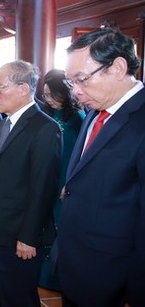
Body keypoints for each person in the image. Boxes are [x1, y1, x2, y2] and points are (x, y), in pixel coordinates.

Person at [58, 28, 145, 307]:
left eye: (82, 79)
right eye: (71, 82)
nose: (77, 92)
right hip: (78, 264)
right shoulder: (95, 112)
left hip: (115, 277)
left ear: (118, 68)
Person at [0, 60, 61, 307]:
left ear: (23, 88)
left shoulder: (45, 128)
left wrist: (29, 236)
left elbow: (42, 189)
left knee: (18, 298)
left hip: (18, 233)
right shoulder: (5, 121)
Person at [38, 69, 85, 291]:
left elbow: (82, 154)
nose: (48, 99)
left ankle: (58, 277)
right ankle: (44, 274)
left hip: (65, 178)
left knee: (59, 225)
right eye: (45, 95)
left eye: (51, 95)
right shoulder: (46, 114)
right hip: (49, 175)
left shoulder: (77, 118)